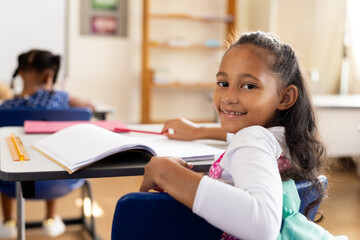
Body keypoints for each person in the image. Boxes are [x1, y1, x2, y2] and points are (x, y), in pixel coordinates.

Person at [140, 31, 348, 239]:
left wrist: (165, 171)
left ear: (285, 97)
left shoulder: (251, 142)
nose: (229, 97)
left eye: (249, 86)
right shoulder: (283, 137)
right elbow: (249, 141)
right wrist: (198, 131)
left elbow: (262, 226)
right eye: (223, 83)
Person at [0, 49, 94, 239]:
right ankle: (50, 219)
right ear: (49, 75)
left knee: (8, 156)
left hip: (12, 182)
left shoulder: (7, 107)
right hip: (61, 179)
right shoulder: (61, 99)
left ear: (20, 72)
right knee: (52, 154)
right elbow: (89, 107)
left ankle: (8, 222)